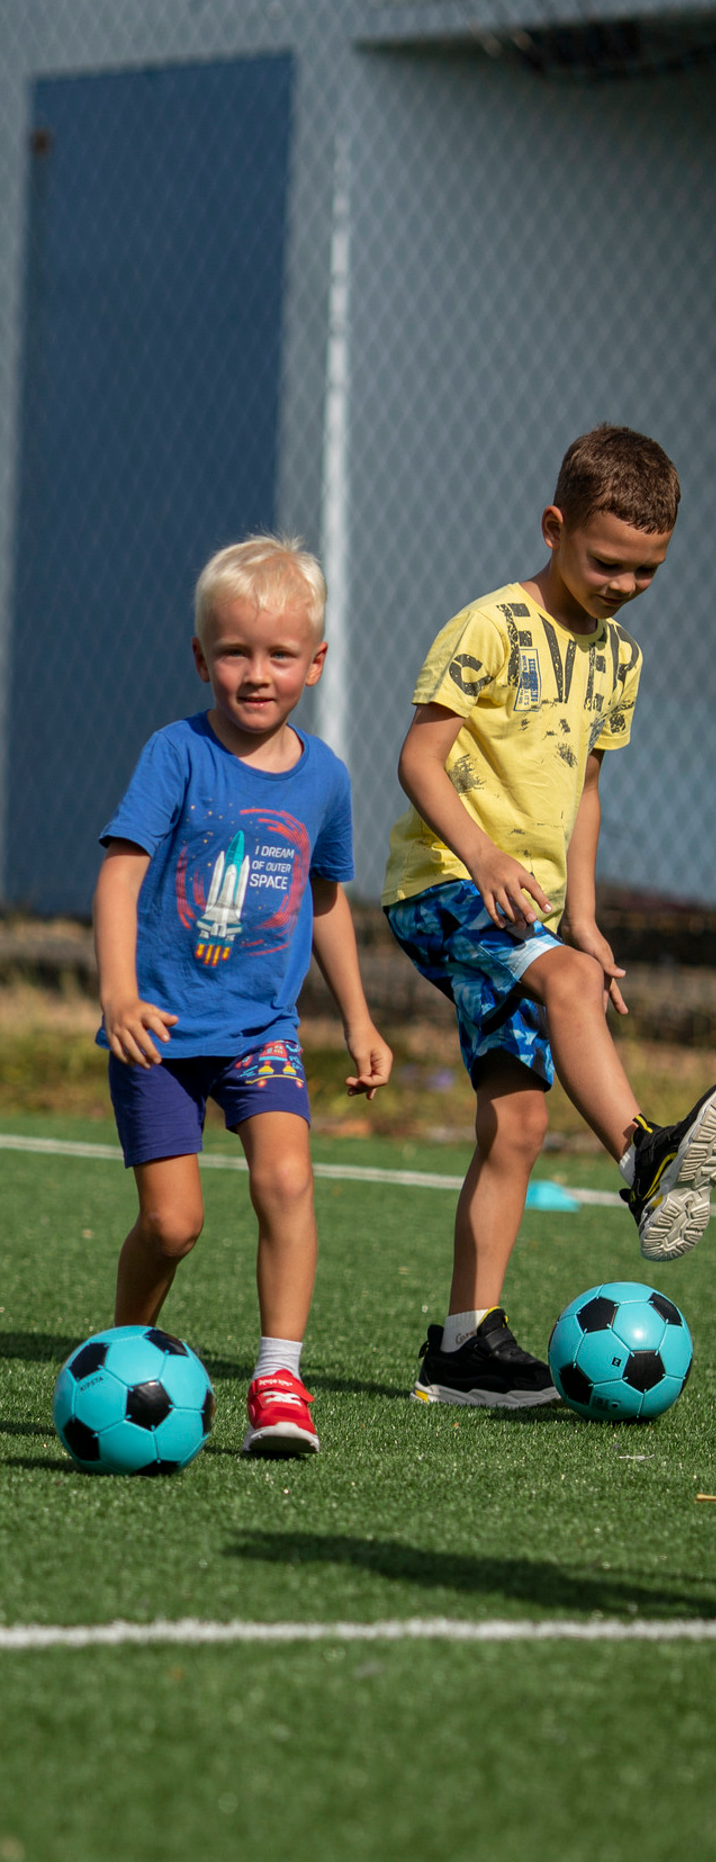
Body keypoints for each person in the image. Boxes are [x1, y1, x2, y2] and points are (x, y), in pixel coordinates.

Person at [384, 424, 716, 1408]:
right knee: (565, 986)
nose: (622, 583)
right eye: (605, 560)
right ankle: (643, 1156)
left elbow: (585, 793)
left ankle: (463, 1349)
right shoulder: (490, 626)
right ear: (554, 526)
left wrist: (586, 916)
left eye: (646, 570)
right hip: (447, 887)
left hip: (530, 910)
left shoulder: (619, 659)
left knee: (517, 1127)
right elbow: (417, 758)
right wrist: (482, 854)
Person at [94, 536, 391, 1456]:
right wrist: (118, 996)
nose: (255, 675)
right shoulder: (175, 754)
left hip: (262, 1026)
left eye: (278, 655)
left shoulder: (326, 778)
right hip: (162, 1029)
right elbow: (119, 876)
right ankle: (125, 1346)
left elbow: (328, 898)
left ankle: (278, 1379)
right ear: (200, 658)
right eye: (234, 653)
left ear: (316, 662)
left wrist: (358, 1016)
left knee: (288, 1180)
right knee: (173, 1225)